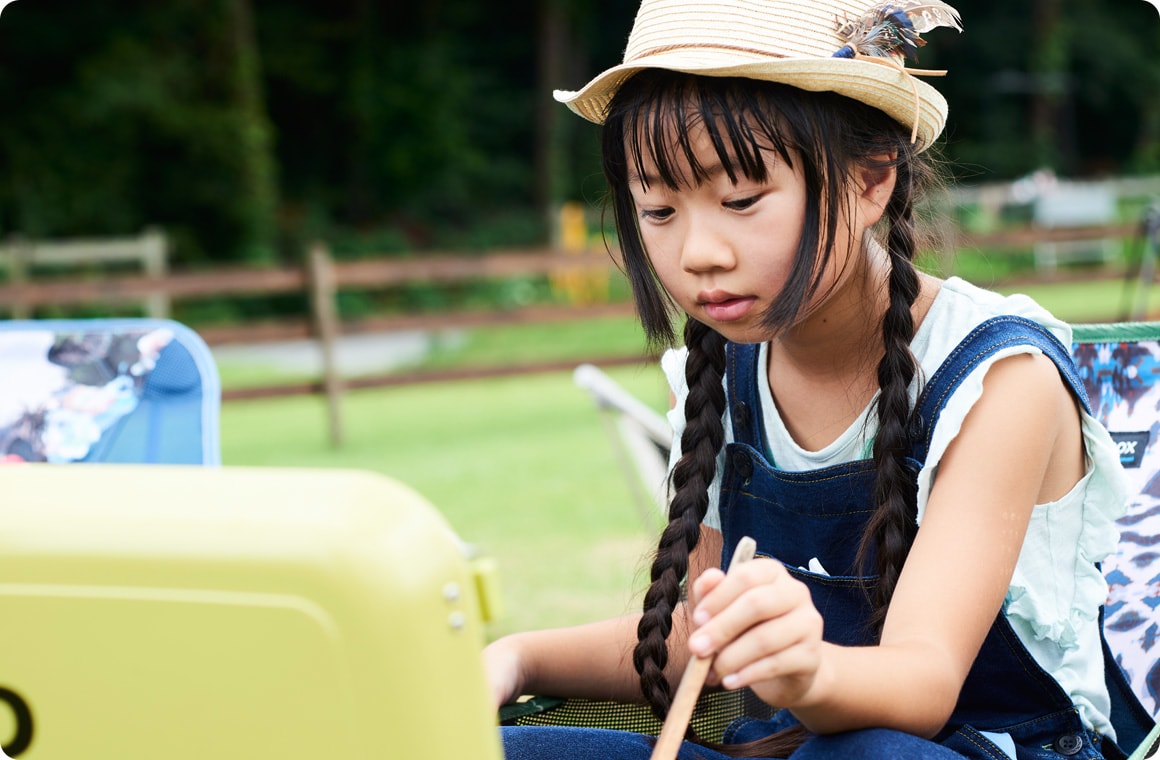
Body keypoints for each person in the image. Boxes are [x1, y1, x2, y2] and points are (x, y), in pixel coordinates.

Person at [485, 0, 1153, 758]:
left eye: (740, 200)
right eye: (659, 208)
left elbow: (923, 687)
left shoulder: (997, 379)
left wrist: (805, 672)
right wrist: (514, 658)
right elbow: (691, 640)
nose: (699, 252)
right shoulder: (722, 374)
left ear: (872, 181)